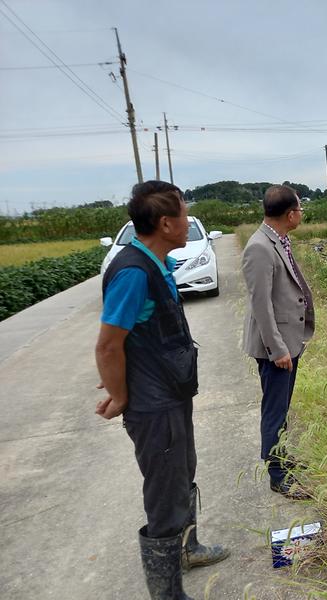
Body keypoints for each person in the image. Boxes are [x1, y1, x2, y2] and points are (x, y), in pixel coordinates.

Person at [95, 181, 229, 600]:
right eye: (185, 215)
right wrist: (119, 394)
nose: (188, 221)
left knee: (182, 472)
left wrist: (126, 365)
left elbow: (136, 334)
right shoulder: (134, 271)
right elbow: (108, 343)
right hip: (152, 404)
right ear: (166, 222)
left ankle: (188, 550)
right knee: (164, 491)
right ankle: (167, 592)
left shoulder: (158, 263)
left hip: (171, 392)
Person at [241, 184, 315, 499]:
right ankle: (278, 475)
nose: (302, 213)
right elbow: (261, 305)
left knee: (282, 408)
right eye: (300, 208)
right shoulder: (259, 247)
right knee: (274, 409)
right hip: (278, 347)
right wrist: (277, 349)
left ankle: (282, 456)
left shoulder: (278, 240)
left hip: (288, 341)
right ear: (290, 213)